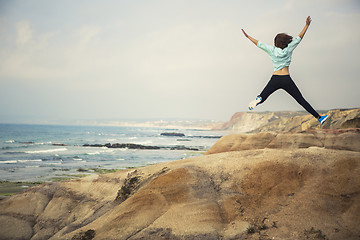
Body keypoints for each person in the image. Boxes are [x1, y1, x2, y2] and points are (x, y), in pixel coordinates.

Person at [241, 16, 328, 124]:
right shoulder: (289, 48)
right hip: (286, 79)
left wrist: (248, 36)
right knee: (301, 100)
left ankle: (259, 99)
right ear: (285, 42)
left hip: (275, 78)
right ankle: (319, 117)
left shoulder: (271, 50)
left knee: (264, 95)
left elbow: (259, 43)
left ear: (276, 42)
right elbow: (300, 37)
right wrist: (306, 25)